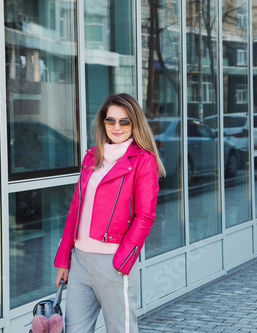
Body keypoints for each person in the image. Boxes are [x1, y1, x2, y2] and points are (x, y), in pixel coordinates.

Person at [54, 93, 165, 333]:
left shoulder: (143, 161)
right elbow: (76, 208)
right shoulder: (92, 156)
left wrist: (122, 261)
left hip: (113, 262)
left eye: (124, 121)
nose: (117, 127)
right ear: (103, 123)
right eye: (110, 120)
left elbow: (144, 217)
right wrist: (64, 258)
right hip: (80, 261)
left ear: (135, 123)